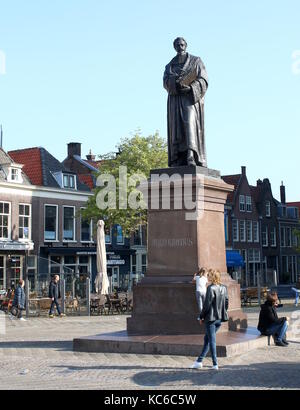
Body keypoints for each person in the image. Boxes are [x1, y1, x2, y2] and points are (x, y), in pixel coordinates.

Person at [163, 37, 209, 168]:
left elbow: (204, 79)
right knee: (176, 128)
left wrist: (191, 88)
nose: (180, 46)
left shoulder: (196, 61)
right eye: (177, 45)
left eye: (182, 44)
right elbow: (165, 81)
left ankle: (191, 155)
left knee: (190, 124)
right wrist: (173, 84)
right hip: (175, 99)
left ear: (186, 45)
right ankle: (178, 157)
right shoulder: (170, 65)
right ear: (174, 47)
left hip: (190, 99)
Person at [191, 270, 229, 371]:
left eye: (209, 276)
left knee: (211, 340)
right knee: (207, 339)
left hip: (211, 319)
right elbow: (226, 302)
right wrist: (222, 312)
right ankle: (199, 361)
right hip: (219, 319)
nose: (207, 277)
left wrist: (201, 316)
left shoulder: (210, 288)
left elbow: (207, 305)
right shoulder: (224, 287)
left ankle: (215, 364)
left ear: (212, 277)